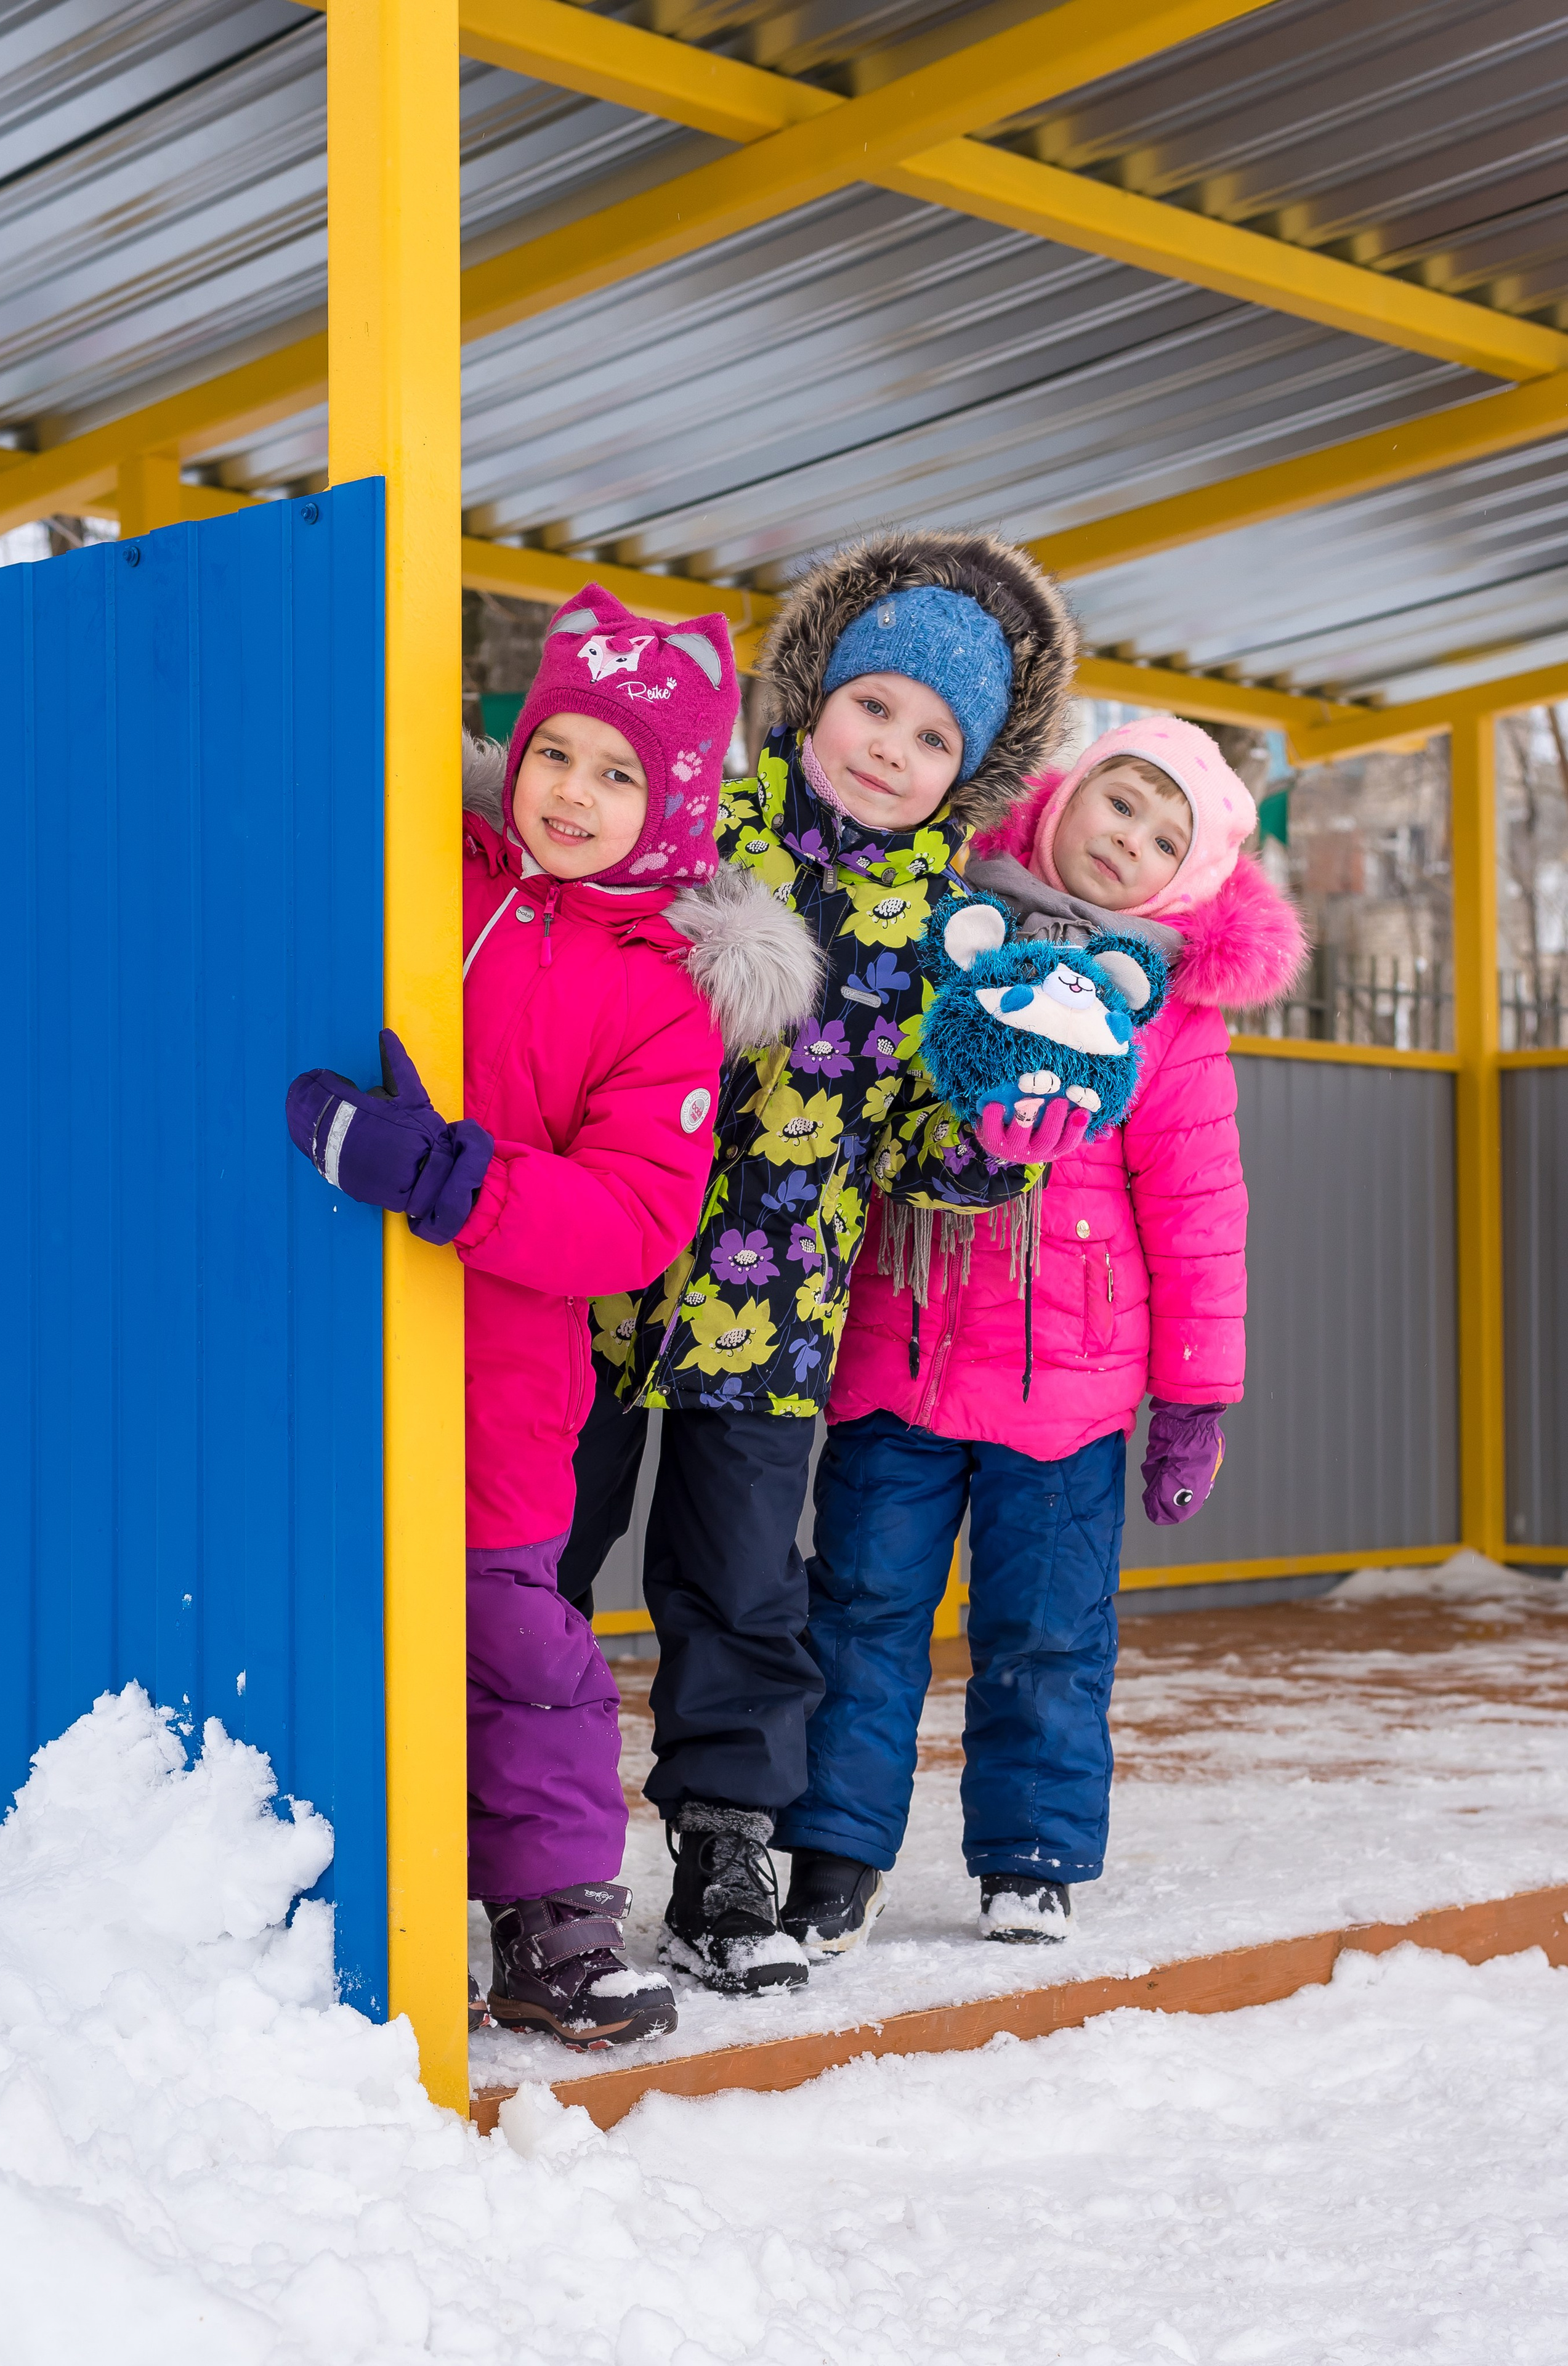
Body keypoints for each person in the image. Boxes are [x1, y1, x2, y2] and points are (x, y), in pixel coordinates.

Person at [285, 586, 817, 2048]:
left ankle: (553, 1918)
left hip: (504, 1371)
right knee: (307, 1592)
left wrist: (455, 1175)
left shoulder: (658, 1000)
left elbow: (636, 1219)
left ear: (678, 803)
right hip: (319, 1339)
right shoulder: (421, 874)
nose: (574, 793)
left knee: (518, 1641)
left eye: (620, 771)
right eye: (556, 752)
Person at [558, 532, 1079, 1996]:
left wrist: (995, 1134)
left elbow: (921, 1140)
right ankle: (516, 1830)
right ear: (814, 694)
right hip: (597, 1277)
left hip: (773, 1311)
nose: (891, 750)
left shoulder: (944, 929)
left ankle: (724, 1843)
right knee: (541, 1554)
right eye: (875, 706)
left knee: (739, 1592)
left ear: (962, 770)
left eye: (932, 737)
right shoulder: (695, 825)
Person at [779, 716, 1308, 1951]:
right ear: (1064, 798)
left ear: (1189, 880)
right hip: (894, 1370)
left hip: (1067, 1392)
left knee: (1047, 1634)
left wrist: (1192, 1396)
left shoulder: (1169, 1020)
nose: (1130, 840)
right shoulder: (944, 937)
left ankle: (1031, 1853)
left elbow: (1198, 1215)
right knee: (856, 1618)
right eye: (1120, 803)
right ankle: (831, 1851)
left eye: (1165, 837)